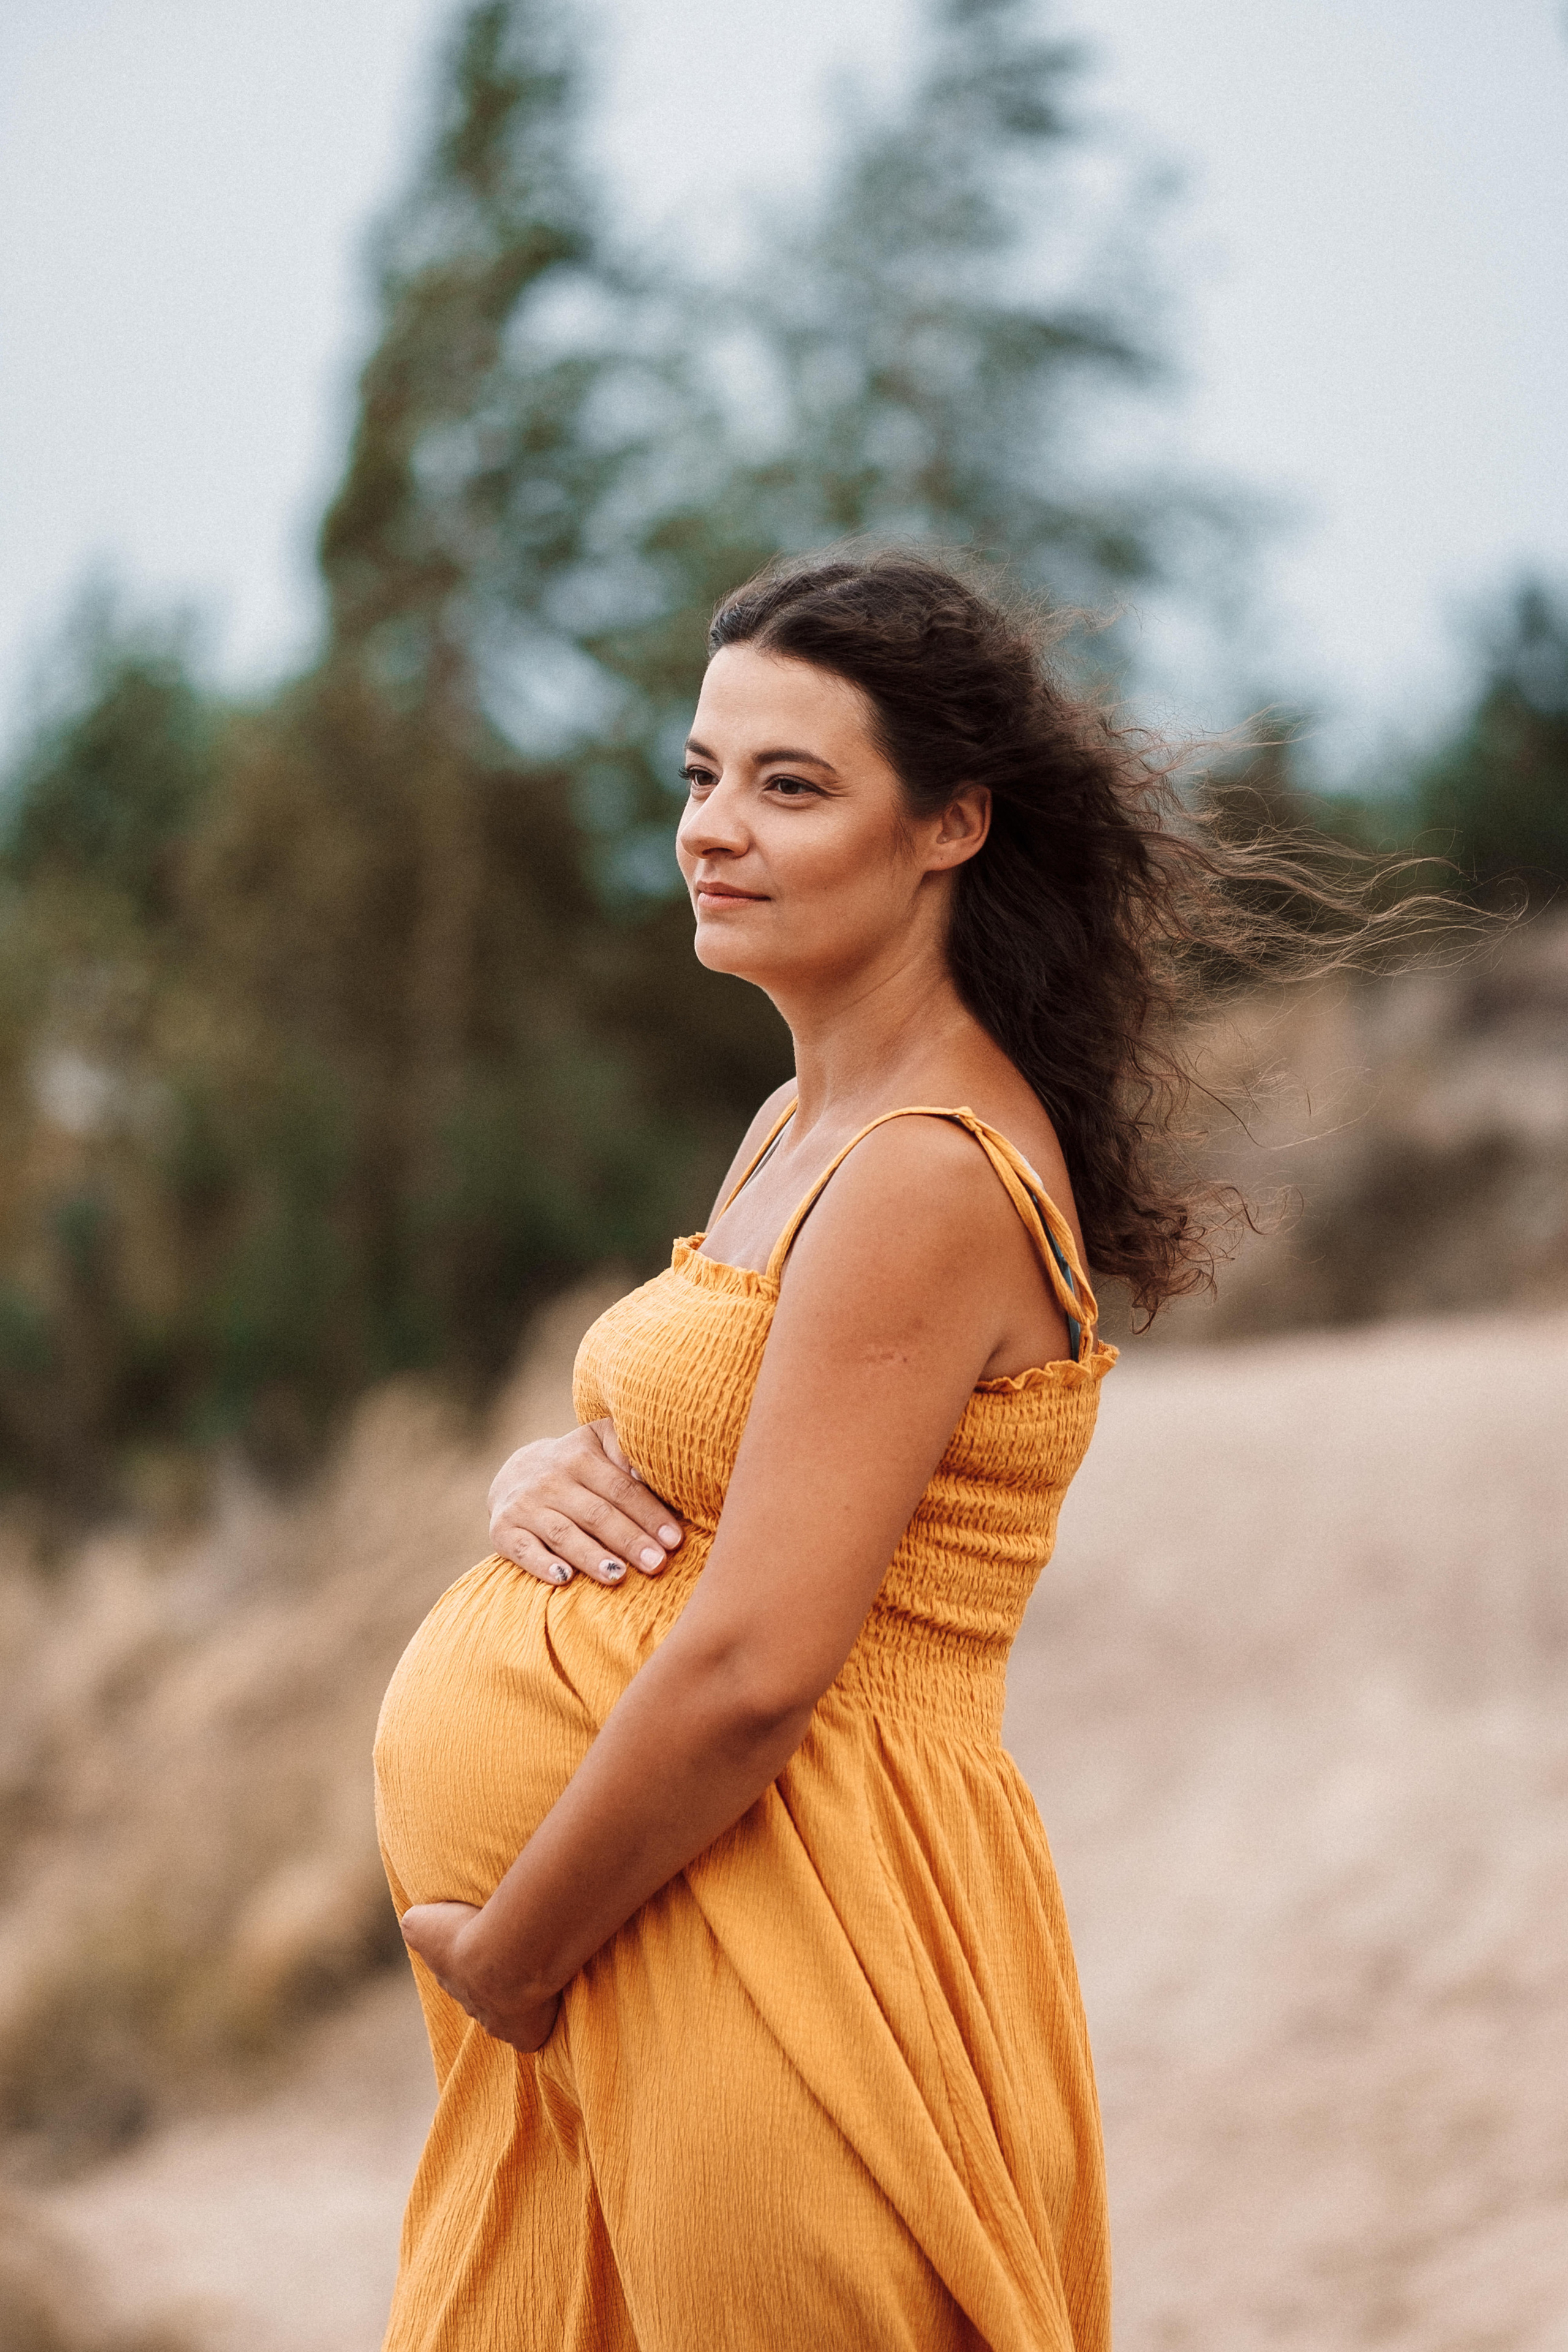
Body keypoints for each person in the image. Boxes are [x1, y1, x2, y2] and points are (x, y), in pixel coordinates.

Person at [373, 551, 1272, 2349]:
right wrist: (528, 1485)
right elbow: (701, 1471)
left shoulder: (927, 1173)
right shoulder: (806, 1116)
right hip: (668, 1922)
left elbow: (759, 1668)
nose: (718, 828)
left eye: (792, 786)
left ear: (949, 827)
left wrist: (517, 1958)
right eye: (703, 776)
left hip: (787, 1939)